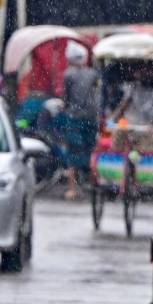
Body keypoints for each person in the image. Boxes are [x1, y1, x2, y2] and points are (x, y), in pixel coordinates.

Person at [61, 44, 99, 200]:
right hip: (91, 117)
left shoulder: (68, 74)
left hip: (75, 117)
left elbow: (67, 98)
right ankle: (94, 183)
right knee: (91, 150)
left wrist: (66, 107)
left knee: (73, 154)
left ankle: (72, 189)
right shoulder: (93, 74)